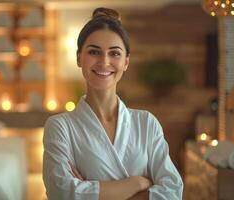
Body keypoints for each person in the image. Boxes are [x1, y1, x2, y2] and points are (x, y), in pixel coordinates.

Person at [42, 7, 183, 200]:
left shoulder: (146, 123)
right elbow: (62, 192)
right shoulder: (60, 126)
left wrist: (87, 190)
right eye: (94, 52)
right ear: (78, 58)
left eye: (114, 53)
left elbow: (173, 190)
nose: (104, 62)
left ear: (126, 62)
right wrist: (139, 183)